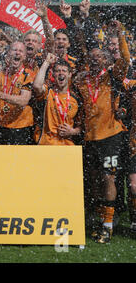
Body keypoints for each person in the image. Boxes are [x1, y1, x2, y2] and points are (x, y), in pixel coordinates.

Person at [74, 20, 130, 243]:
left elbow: (125, 59)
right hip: (91, 139)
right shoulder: (82, 80)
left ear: (107, 60)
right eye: (92, 56)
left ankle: (108, 225)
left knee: (109, 178)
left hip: (111, 137)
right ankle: (100, 219)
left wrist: (120, 34)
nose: (95, 59)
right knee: (96, 179)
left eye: (100, 56)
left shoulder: (112, 76)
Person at [0, 41, 35, 145]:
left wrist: (0, 95)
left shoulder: (28, 75)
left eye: (21, 51)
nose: (17, 53)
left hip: (20, 127)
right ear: (8, 53)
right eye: (14, 50)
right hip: (0, 125)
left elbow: (23, 100)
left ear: (25, 56)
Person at [32, 53, 82, 145]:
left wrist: (73, 131)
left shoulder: (76, 99)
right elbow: (37, 85)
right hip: (46, 143)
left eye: (64, 71)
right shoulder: (48, 92)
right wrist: (47, 62)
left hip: (67, 146)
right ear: (53, 74)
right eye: (58, 71)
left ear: (70, 74)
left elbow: (82, 125)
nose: (61, 73)